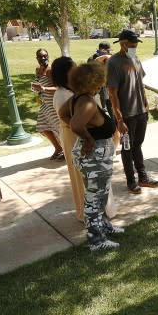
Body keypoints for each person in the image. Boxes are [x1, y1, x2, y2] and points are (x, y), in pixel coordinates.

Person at [68, 61, 123, 250]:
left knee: (101, 194)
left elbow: (63, 115)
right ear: (94, 81)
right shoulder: (87, 102)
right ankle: (96, 240)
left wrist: (87, 129)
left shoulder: (78, 98)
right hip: (94, 156)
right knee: (94, 198)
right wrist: (88, 138)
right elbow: (75, 124)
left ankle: (104, 226)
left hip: (98, 155)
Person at [106, 29, 158, 194]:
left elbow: (140, 83)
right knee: (127, 148)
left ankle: (143, 177)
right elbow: (112, 93)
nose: (134, 48)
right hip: (126, 115)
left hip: (141, 111)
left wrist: (145, 105)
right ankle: (131, 180)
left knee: (138, 145)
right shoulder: (114, 62)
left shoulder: (135, 58)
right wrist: (119, 119)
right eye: (132, 45)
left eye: (135, 45)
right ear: (123, 44)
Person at [51, 56, 86, 222]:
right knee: (80, 176)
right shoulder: (62, 95)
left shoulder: (73, 90)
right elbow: (73, 121)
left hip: (81, 136)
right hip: (74, 139)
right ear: (66, 73)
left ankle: (99, 211)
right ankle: (86, 213)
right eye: (74, 68)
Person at [31, 48, 64, 160]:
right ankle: (58, 148)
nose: (43, 58)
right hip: (45, 103)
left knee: (59, 128)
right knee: (42, 127)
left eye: (45, 56)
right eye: (40, 56)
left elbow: (58, 88)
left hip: (53, 103)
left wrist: (43, 88)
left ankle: (66, 150)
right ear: (37, 58)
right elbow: (38, 84)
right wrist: (37, 89)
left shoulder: (50, 70)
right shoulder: (38, 69)